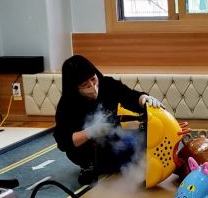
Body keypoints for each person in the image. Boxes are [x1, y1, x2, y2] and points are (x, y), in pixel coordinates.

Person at [53, 55, 166, 185]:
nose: (92, 86)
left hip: (115, 140)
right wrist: (89, 132)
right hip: (88, 151)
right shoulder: (67, 104)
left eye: (93, 79)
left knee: (146, 137)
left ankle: (121, 161)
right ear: (75, 88)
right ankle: (90, 167)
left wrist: (144, 99)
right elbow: (63, 141)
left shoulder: (107, 84)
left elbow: (129, 96)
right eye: (85, 85)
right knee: (124, 159)